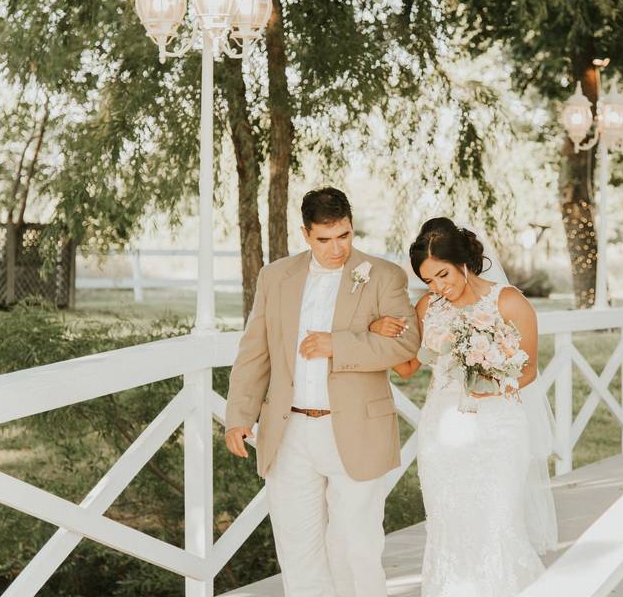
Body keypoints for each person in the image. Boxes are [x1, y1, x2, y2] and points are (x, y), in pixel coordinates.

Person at [224, 187, 420, 597]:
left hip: (356, 430)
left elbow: (406, 345)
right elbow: (254, 350)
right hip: (289, 431)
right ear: (305, 234)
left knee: (357, 547)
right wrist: (239, 415)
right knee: (298, 549)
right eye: (325, 239)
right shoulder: (275, 277)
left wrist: (339, 343)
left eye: (344, 236)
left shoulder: (384, 275)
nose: (337, 249)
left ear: (352, 226)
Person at [370, 217, 557, 597]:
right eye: (429, 280)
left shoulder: (508, 301)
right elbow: (407, 367)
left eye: (443, 275)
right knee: (448, 526)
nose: (439, 287)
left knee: (498, 524)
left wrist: (490, 378)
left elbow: (529, 369)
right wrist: (375, 332)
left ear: (463, 263)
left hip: (500, 429)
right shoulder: (428, 308)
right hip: (443, 432)